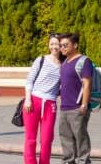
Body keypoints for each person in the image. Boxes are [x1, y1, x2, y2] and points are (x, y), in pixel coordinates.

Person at [23, 33, 64, 164]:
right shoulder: (41, 60)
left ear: (61, 45)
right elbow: (29, 81)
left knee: (47, 139)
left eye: (56, 44)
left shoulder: (63, 64)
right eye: (51, 44)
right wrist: (28, 99)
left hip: (50, 104)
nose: (54, 47)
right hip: (33, 101)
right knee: (31, 138)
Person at [57, 33, 93, 164]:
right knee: (65, 137)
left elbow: (87, 83)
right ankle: (68, 161)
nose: (62, 48)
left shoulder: (84, 61)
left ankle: (83, 161)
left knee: (80, 137)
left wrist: (84, 104)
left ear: (75, 45)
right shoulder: (65, 62)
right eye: (61, 46)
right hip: (65, 107)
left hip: (78, 107)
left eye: (65, 45)